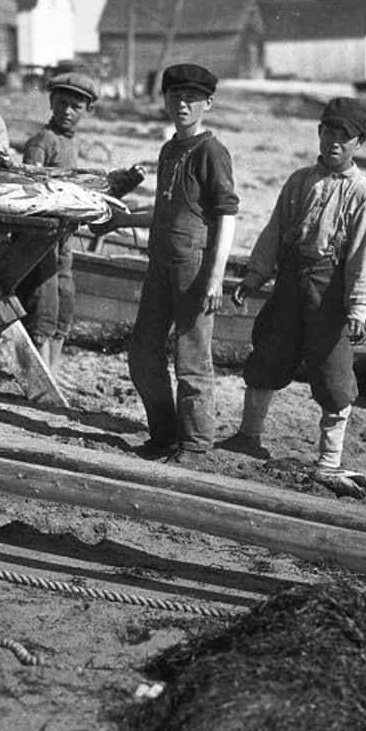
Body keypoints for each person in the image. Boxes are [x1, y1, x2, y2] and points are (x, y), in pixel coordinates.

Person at [226, 97, 366, 475]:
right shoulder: (298, 181)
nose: (334, 141)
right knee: (267, 354)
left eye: (344, 136)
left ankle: (329, 459)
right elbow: (274, 233)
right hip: (289, 284)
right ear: (319, 132)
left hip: (329, 293)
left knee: (334, 374)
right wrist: (254, 275)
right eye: (328, 131)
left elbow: (365, 255)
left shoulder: (362, 194)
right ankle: (248, 437)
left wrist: (358, 307)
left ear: (358, 144)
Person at [95, 63, 239, 460]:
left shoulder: (212, 151)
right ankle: (165, 433)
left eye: (192, 98)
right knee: (143, 354)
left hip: (194, 269)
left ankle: (194, 445)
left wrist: (216, 276)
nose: (182, 104)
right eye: (175, 96)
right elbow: (167, 211)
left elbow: (226, 214)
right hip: (160, 265)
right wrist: (122, 219)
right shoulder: (170, 149)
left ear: (207, 103)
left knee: (191, 359)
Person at [17, 70, 137, 371]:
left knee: (64, 304)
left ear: (88, 110)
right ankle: (37, 376)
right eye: (62, 103)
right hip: (42, 238)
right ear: (51, 102)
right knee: (44, 305)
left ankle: (52, 372)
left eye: (76, 106)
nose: (68, 111)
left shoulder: (70, 143)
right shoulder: (42, 141)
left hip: (64, 239)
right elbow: (31, 190)